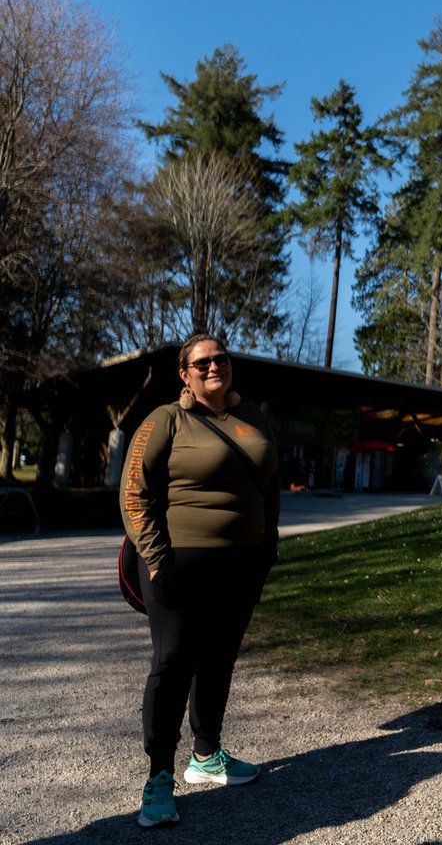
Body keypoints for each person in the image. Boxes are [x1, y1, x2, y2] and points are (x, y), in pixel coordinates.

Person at [119, 333, 280, 829]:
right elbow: (133, 490)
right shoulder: (166, 419)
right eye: (202, 362)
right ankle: (159, 777)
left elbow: (269, 482)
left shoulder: (252, 417)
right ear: (185, 373)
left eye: (222, 359)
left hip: (243, 562)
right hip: (179, 562)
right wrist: (156, 556)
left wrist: (268, 541)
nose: (215, 367)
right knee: (172, 663)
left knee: (220, 657)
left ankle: (206, 756)